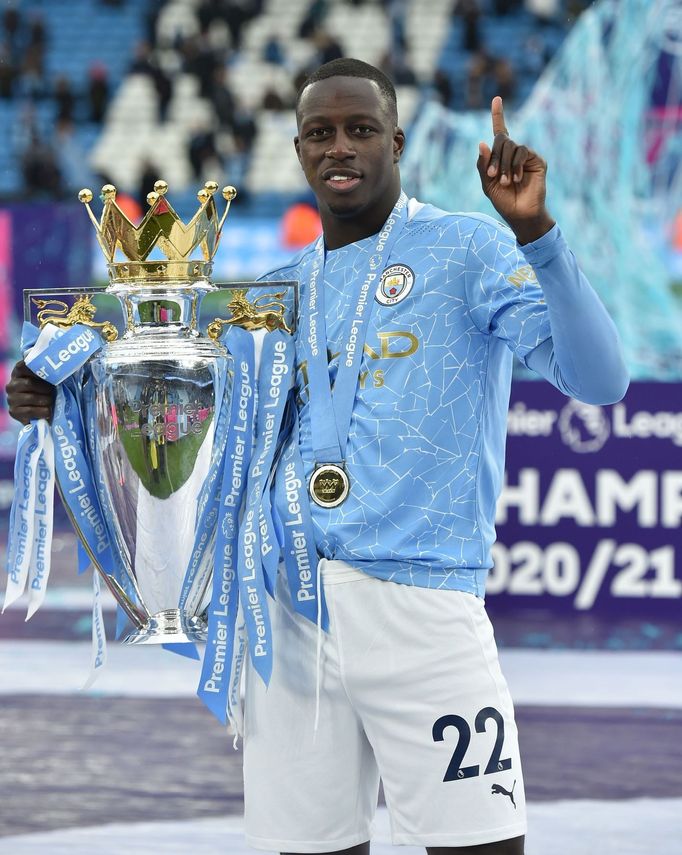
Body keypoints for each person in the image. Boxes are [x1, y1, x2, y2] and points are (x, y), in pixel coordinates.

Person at [6, 58, 629, 855]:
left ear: (395, 142)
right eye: (321, 133)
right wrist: (61, 401)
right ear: (299, 152)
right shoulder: (270, 296)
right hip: (288, 618)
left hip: (423, 605)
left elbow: (601, 379)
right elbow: (193, 429)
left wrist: (536, 234)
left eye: (361, 129)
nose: (342, 147)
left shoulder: (468, 249)